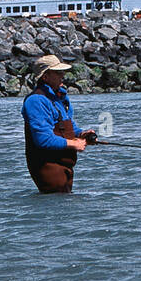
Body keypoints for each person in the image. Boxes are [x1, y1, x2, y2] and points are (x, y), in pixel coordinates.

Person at [22, 55, 99, 194]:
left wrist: (82, 134)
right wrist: (74, 144)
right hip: (47, 166)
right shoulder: (35, 101)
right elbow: (43, 140)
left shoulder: (59, 98)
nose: (62, 75)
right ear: (45, 77)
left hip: (65, 164)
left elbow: (69, 126)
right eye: (58, 73)